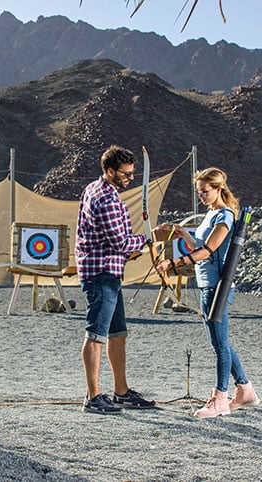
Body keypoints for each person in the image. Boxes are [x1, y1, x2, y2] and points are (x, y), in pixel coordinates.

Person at [155, 167, 259, 418]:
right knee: (219, 341)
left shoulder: (224, 217)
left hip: (217, 287)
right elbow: (200, 246)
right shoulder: (212, 213)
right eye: (199, 192)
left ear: (218, 189)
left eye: (205, 192)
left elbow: (209, 252)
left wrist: (174, 264)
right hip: (206, 284)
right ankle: (245, 390)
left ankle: (220, 399)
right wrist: (184, 236)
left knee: (219, 344)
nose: (201, 196)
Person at [76, 145, 167, 414]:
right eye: (125, 174)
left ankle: (121, 392)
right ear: (109, 171)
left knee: (117, 334)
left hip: (109, 273)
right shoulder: (104, 197)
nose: (129, 179)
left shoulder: (101, 191)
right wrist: (151, 237)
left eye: (131, 174)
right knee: (96, 335)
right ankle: (93, 397)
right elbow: (120, 242)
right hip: (101, 273)